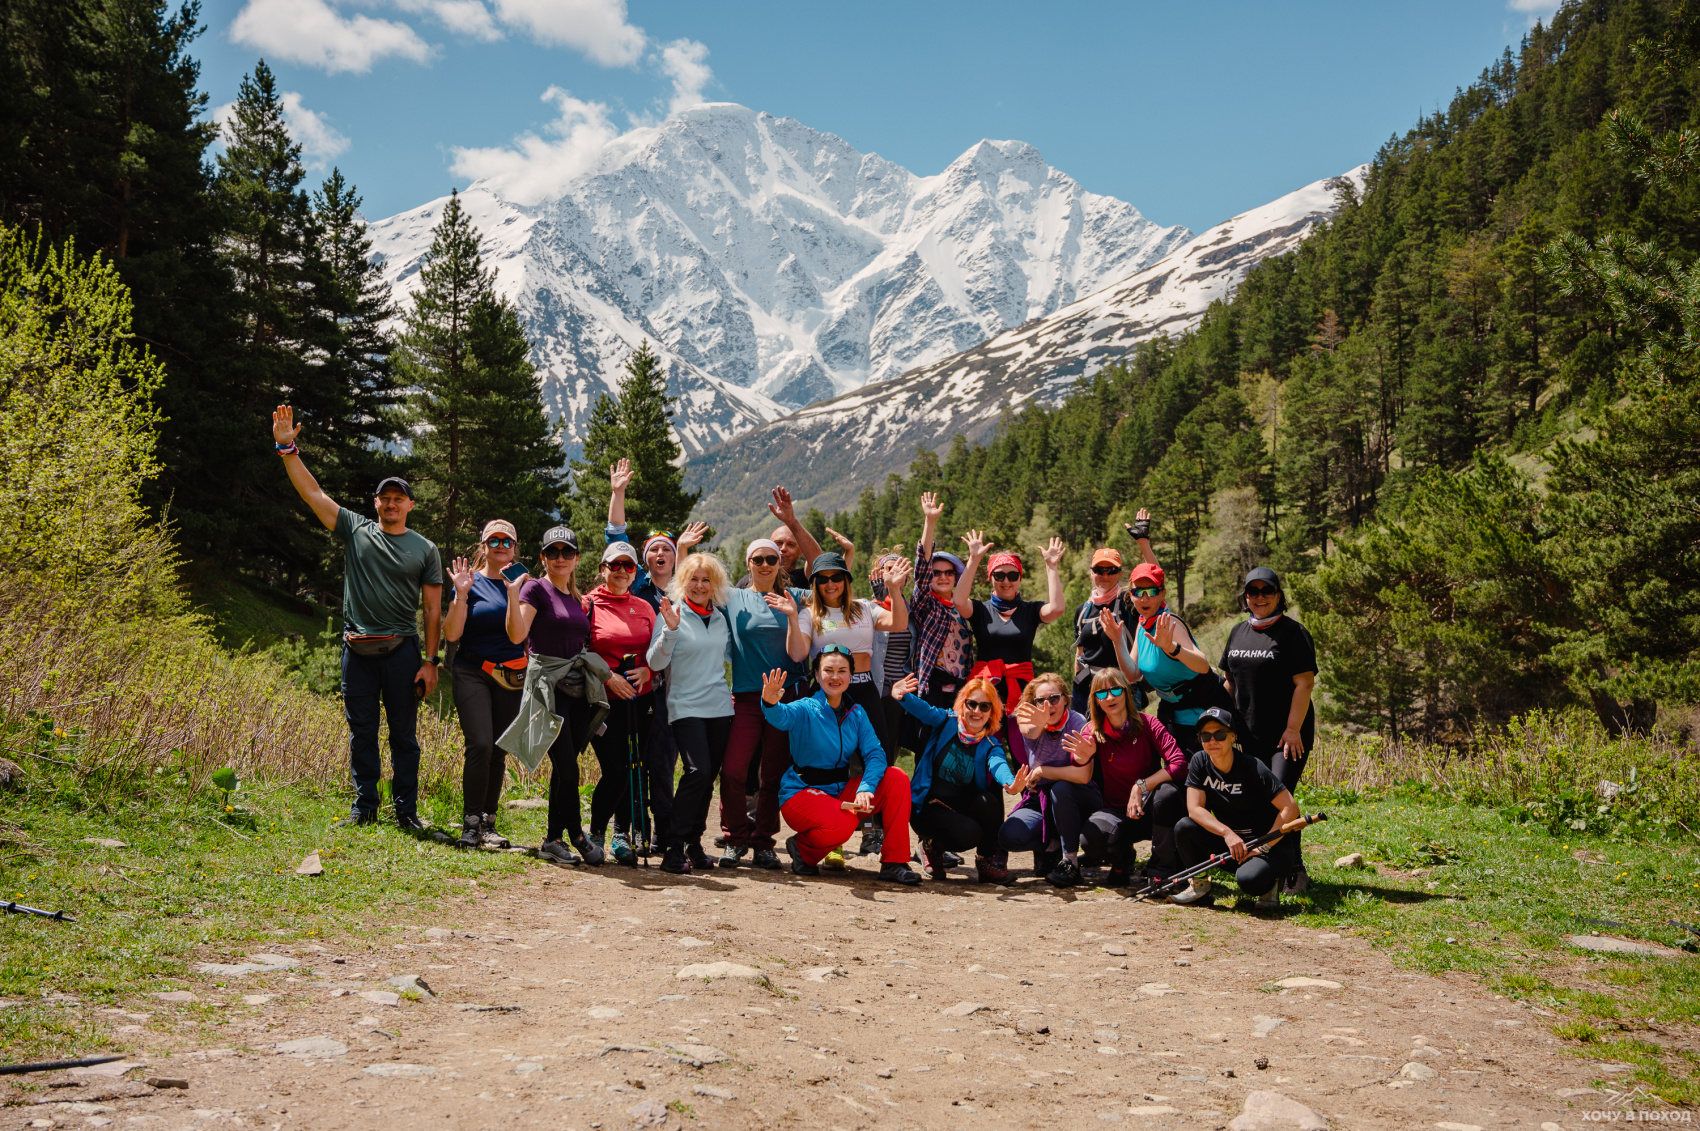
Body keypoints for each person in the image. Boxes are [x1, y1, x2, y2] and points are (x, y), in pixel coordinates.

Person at [272, 405, 442, 832]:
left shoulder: (425, 549)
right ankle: (364, 807)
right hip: (356, 649)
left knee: (403, 736)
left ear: (410, 505)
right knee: (361, 732)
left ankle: (406, 812)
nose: (391, 503)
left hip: (403, 651)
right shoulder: (356, 529)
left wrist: (431, 661)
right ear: (376, 503)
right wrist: (287, 448)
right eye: (385, 498)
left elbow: (432, 610)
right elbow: (313, 494)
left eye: (398, 498)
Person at [720, 489, 821, 868]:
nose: (765, 564)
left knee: (773, 775)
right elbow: (691, 584)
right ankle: (735, 838)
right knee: (733, 770)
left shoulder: (797, 596)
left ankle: (763, 843)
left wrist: (793, 522)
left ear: (781, 563)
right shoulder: (731, 598)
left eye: (771, 559)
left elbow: (823, 571)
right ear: (748, 563)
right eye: (758, 559)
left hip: (786, 699)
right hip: (747, 696)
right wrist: (681, 549)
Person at [760, 648, 921, 885]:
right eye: (828, 670)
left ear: (850, 676)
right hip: (801, 793)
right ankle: (802, 848)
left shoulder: (856, 713)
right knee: (845, 821)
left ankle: (894, 862)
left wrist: (866, 786)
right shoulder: (804, 708)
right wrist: (769, 703)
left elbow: (875, 754)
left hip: (840, 794)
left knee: (895, 777)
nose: (835, 677)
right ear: (817, 675)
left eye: (842, 671)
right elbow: (781, 716)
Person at [503, 526, 605, 866]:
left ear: (576, 558)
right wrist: (512, 595)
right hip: (548, 691)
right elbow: (517, 634)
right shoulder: (534, 589)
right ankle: (577, 836)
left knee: (564, 769)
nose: (560, 558)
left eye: (567, 552)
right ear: (543, 557)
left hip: (576, 691)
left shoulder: (577, 599)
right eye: (552, 552)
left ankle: (552, 840)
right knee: (568, 768)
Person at [1219, 566, 1317, 894]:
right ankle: (1275, 864)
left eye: (1267, 591)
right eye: (1253, 591)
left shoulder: (1294, 633)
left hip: (1285, 737)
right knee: (1261, 800)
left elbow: (1304, 684)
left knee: (1280, 797)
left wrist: (1293, 729)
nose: (1259, 597)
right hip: (1248, 734)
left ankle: (1294, 870)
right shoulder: (1238, 632)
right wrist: (1225, 725)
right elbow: (1229, 681)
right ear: (1245, 597)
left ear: (1278, 595)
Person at [646, 552, 734, 875]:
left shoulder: (721, 619)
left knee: (708, 778)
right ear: (683, 582)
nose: (699, 585)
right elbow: (655, 662)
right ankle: (673, 845)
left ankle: (694, 843)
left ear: (715, 585)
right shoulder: (672, 614)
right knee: (697, 771)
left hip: (720, 707)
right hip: (685, 706)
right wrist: (670, 630)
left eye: (706, 579)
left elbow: (731, 658)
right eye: (693, 579)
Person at [892, 672, 1027, 883]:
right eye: (971, 704)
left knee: (989, 801)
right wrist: (901, 695)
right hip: (927, 808)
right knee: (968, 834)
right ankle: (930, 847)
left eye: (984, 706)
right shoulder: (946, 721)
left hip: (959, 809)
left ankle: (986, 862)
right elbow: (924, 711)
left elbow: (998, 764)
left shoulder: (990, 744)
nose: (976, 711)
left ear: (992, 713)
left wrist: (1011, 784)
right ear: (962, 704)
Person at [443, 519, 528, 850]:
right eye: (494, 540)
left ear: (515, 547)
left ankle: (488, 824)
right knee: (480, 743)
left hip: (511, 675)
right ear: (483, 546)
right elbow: (452, 633)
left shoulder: (523, 583)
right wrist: (461, 594)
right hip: (473, 671)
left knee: (498, 748)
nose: (501, 546)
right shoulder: (469, 581)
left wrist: (514, 592)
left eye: (507, 541)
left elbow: (520, 635)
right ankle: (470, 823)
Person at [1170, 706, 1301, 910]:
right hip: (1233, 845)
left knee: (1248, 880)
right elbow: (1194, 808)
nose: (1212, 741)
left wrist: (1263, 846)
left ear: (1233, 737)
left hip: (1268, 846)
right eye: (1205, 736)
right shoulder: (1199, 761)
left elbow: (1291, 809)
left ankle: (1270, 883)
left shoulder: (1253, 766)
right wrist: (1226, 833)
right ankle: (1200, 886)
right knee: (1184, 827)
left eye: (1220, 734)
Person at [581, 541, 660, 864]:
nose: (622, 571)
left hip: (641, 700)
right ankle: (597, 833)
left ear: (635, 572)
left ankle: (621, 834)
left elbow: (659, 652)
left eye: (628, 566)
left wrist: (649, 672)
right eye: (615, 565)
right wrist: (607, 677)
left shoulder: (644, 607)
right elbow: (578, 651)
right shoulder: (587, 604)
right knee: (614, 769)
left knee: (633, 768)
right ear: (603, 569)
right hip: (602, 702)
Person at [1072, 668, 1187, 888]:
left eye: (1115, 690)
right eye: (1102, 693)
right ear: (1095, 701)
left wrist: (1141, 786)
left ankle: (1161, 869)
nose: (1110, 697)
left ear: (1126, 692)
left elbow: (1179, 764)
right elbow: (1078, 757)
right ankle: (1122, 861)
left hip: (1152, 812)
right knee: (1090, 839)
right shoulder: (1093, 731)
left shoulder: (1149, 724)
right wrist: (1082, 757)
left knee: (1168, 793)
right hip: (1118, 815)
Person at [1102, 562, 1228, 759]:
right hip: (1173, 711)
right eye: (1138, 592)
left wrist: (1171, 648)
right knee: (1176, 765)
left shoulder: (1169, 623)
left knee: (1197, 768)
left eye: (1152, 591)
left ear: (1162, 594)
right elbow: (1132, 674)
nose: (1144, 598)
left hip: (1203, 707)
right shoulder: (1143, 624)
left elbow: (1203, 666)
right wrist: (1117, 640)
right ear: (1131, 595)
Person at [996, 672, 1099, 886]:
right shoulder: (1028, 723)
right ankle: (1053, 845)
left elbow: (1083, 775)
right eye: (1040, 701)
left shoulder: (1077, 721)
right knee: (1009, 835)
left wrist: (1042, 771)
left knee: (1061, 788)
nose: (1047, 706)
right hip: (1041, 798)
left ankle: (1070, 862)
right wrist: (1041, 722)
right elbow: (1030, 732)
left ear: (1065, 700)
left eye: (1053, 699)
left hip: (1076, 797)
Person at [953, 531, 1067, 715]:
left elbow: (1057, 608)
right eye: (999, 576)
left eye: (1013, 575)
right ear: (990, 578)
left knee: (1020, 734)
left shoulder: (1031, 611)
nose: (1006, 581)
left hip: (1022, 692)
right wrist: (974, 559)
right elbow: (958, 601)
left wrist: (1051, 566)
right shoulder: (980, 610)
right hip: (984, 693)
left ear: (1020, 578)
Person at [1070, 512, 1160, 716]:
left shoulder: (1129, 601)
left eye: (1111, 570)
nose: (1105, 575)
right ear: (1091, 573)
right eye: (1099, 570)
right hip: (1088, 690)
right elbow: (1080, 654)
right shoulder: (1083, 610)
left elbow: (1155, 582)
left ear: (1120, 574)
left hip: (1123, 689)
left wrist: (1143, 542)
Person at [910, 491, 975, 712]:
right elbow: (922, 566)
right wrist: (930, 521)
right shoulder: (925, 604)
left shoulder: (964, 609)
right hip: (932, 688)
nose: (943, 577)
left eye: (949, 572)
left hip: (961, 690)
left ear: (956, 577)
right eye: (936, 573)